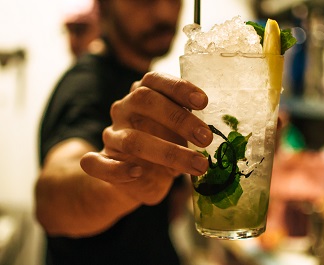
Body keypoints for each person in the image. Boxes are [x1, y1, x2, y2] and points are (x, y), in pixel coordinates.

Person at [35, 0, 212, 264]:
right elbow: (51, 204)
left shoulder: (147, 83)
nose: (164, 12)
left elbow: (167, 210)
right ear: (105, 6)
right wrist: (122, 186)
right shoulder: (85, 85)